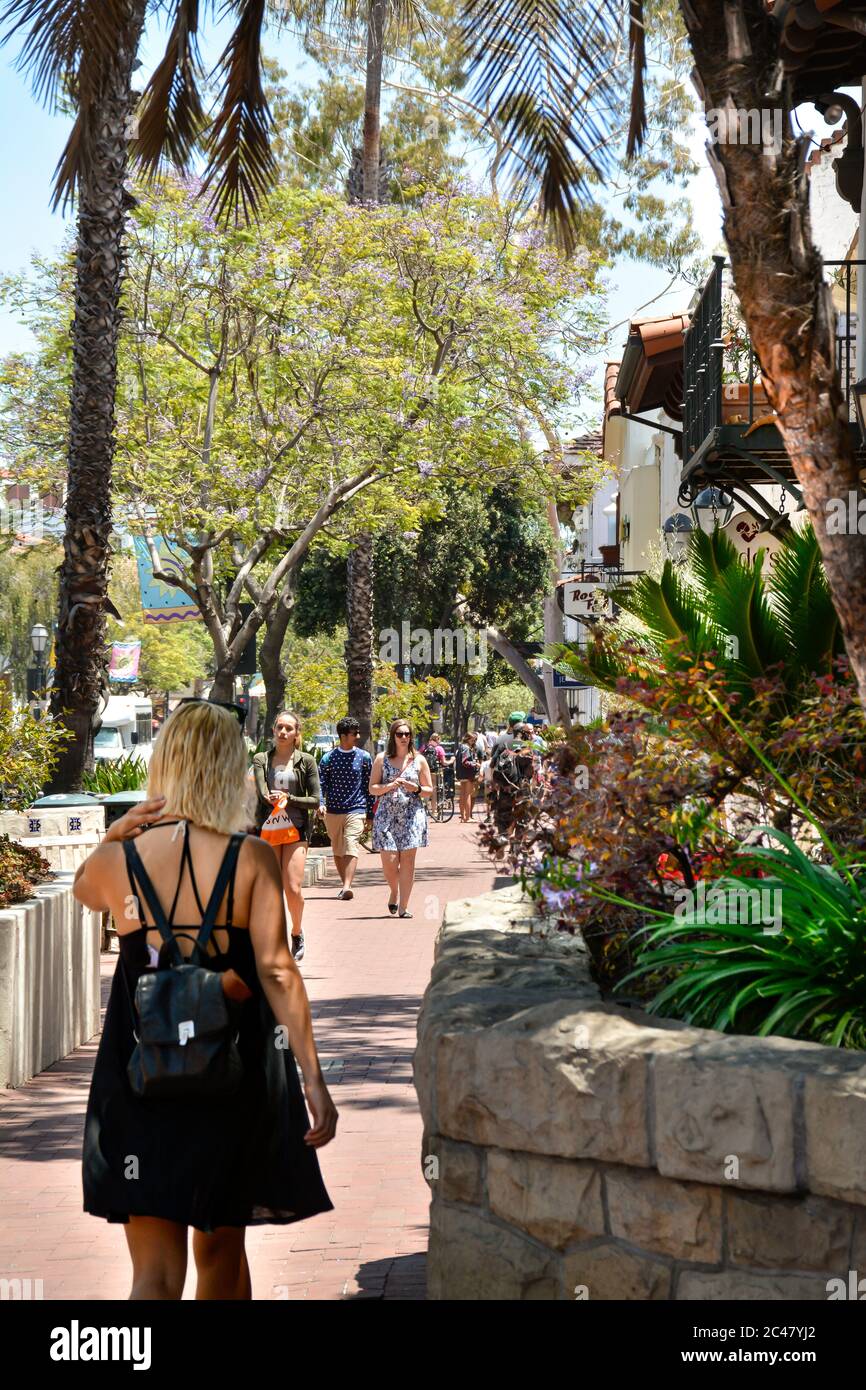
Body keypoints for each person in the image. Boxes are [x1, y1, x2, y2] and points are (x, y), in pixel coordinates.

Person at [73, 701, 337, 1301]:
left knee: (154, 1276)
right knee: (221, 1256)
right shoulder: (252, 858)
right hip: (231, 1071)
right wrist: (313, 1078)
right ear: (227, 768)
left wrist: (116, 834)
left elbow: (86, 891)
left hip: (142, 1071)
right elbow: (277, 969)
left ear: (166, 765)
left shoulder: (123, 858)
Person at [251, 711, 321, 963]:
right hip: (269, 829)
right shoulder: (261, 758)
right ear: (273, 730)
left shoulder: (306, 761)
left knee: (292, 887)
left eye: (288, 729)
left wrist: (289, 799)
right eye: (279, 727)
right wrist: (268, 796)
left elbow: (315, 800)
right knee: (270, 888)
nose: (283, 732)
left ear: (296, 734)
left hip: (296, 829)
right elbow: (260, 787)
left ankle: (296, 932)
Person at [369, 718, 433, 917]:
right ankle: (394, 891)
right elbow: (373, 788)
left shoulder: (419, 760)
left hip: (412, 816)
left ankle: (404, 906)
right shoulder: (382, 759)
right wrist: (390, 785)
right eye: (400, 734)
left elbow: (428, 790)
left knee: (407, 862)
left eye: (407, 734)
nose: (404, 737)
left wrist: (416, 788)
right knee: (389, 860)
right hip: (387, 816)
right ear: (393, 736)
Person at [318, 716, 374, 901]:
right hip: (333, 810)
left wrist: (370, 813)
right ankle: (345, 886)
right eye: (353, 733)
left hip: (356, 808)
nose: (357, 736)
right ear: (343, 736)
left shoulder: (364, 757)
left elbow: (369, 785)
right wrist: (321, 804)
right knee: (337, 848)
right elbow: (321, 784)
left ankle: (347, 886)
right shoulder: (328, 758)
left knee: (351, 844)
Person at [455, 733, 481, 823]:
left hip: (461, 774)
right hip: (467, 774)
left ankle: (462, 816)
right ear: (467, 739)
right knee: (467, 795)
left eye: (474, 740)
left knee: (462, 795)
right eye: (472, 740)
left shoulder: (460, 747)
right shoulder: (466, 748)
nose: (474, 741)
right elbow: (465, 762)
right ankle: (467, 817)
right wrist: (475, 764)